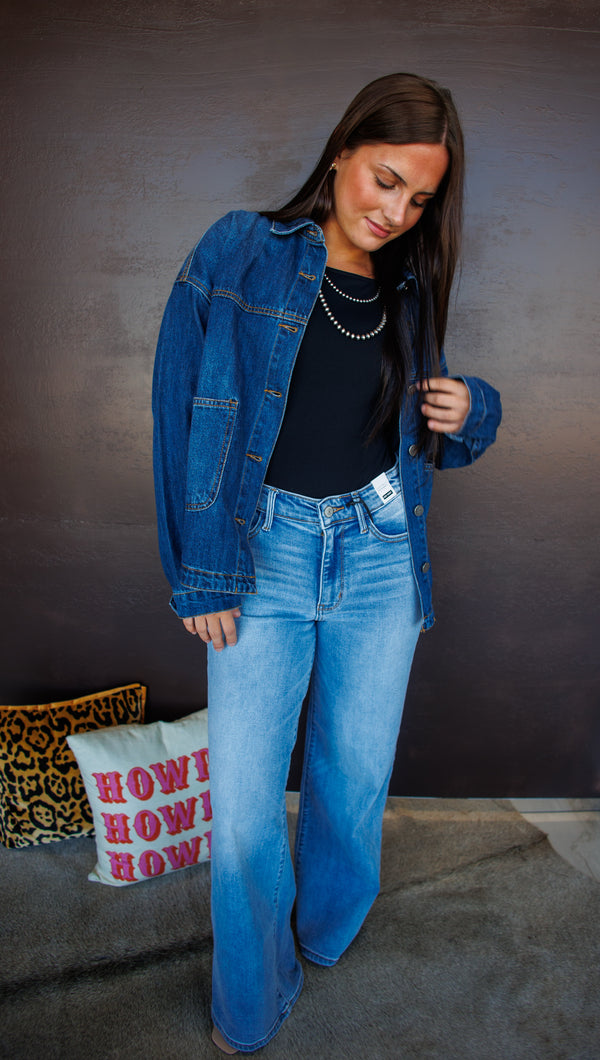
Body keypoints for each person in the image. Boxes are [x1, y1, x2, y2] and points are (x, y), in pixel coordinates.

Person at [152, 72, 502, 1054]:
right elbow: (179, 405)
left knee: (352, 777)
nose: (396, 211)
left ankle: (324, 930)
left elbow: (428, 438)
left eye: (419, 199)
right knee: (244, 808)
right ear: (344, 150)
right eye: (386, 180)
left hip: (379, 550)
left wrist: (475, 409)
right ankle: (251, 1001)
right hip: (261, 551)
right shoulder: (240, 250)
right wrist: (199, 572)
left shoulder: (409, 289)